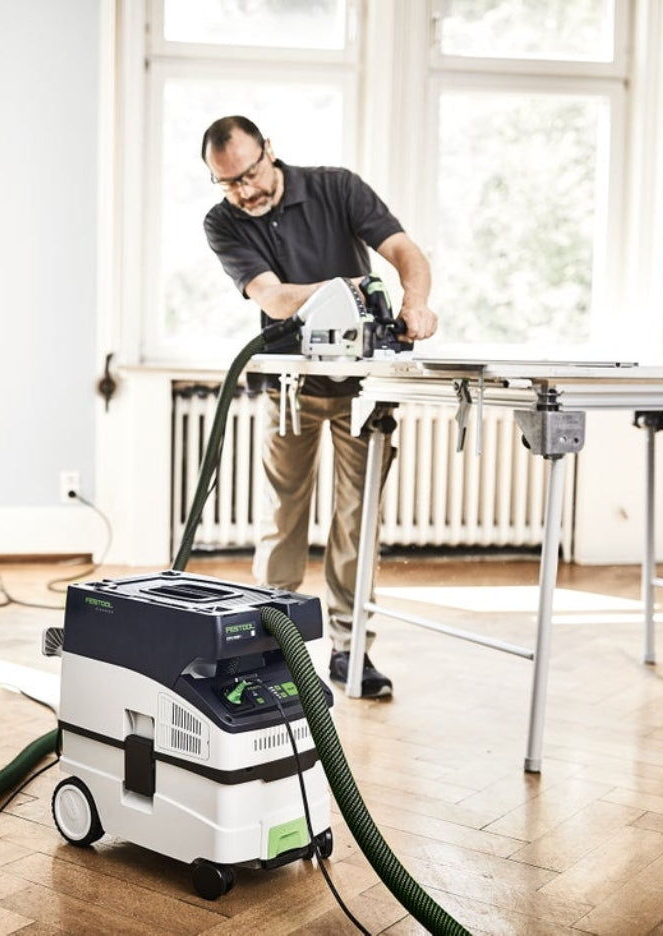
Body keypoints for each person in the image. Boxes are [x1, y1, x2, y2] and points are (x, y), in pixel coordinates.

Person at [201, 115, 436, 699]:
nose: (244, 192)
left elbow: (405, 250)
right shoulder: (222, 221)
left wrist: (415, 301)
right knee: (283, 517)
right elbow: (276, 299)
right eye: (228, 183)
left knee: (359, 519)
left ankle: (351, 652)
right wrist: (353, 286)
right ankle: (272, 651)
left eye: (250, 175)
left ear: (269, 152)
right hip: (289, 386)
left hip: (363, 387)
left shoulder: (337, 187)